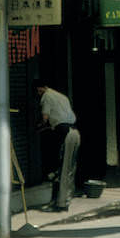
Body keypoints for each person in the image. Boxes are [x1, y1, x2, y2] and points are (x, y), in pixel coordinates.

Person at [35, 82, 80, 212]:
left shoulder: (46, 96)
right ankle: (65, 200)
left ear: (41, 88)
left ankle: (59, 204)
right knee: (69, 169)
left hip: (64, 133)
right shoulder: (62, 96)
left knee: (62, 169)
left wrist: (37, 127)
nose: (38, 96)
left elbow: (45, 118)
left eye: (38, 92)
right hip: (75, 133)